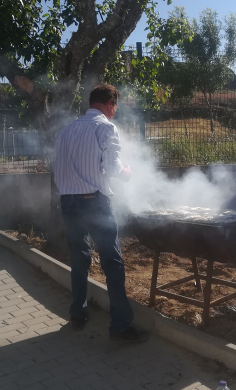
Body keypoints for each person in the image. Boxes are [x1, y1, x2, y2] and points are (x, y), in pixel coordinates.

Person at [54, 84, 149, 343]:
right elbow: (113, 167)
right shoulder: (105, 127)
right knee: (113, 263)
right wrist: (128, 172)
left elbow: (59, 168)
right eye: (115, 106)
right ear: (109, 103)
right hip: (94, 202)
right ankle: (120, 327)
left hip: (68, 202)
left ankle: (78, 313)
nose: (115, 111)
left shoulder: (65, 131)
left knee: (78, 260)